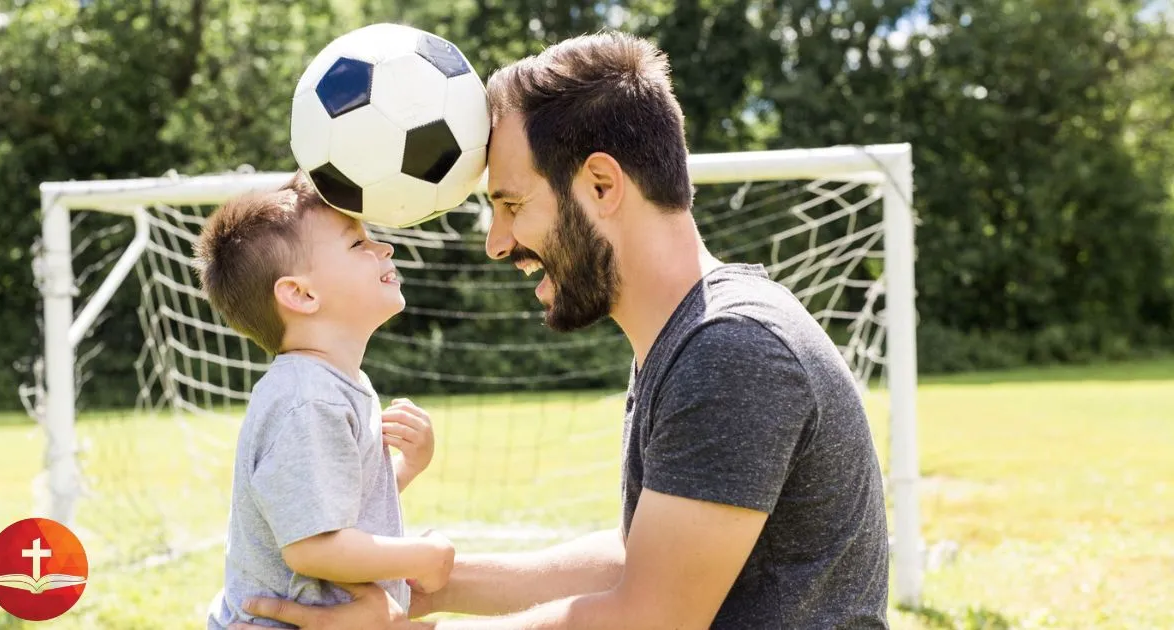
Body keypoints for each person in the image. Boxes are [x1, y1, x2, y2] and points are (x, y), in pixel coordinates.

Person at [233, 31, 889, 630]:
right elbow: (645, 557)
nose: (497, 243)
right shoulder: (691, 336)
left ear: (602, 184)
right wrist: (424, 585)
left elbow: (650, 615)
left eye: (512, 205)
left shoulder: (733, 348)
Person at [198, 173, 455, 629]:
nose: (384, 248)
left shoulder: (332, 384)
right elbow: (311, 546)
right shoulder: (309, 400)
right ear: (301, 294)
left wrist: (406, 469)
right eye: (357, 244)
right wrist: (423, 556)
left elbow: (328, 507)